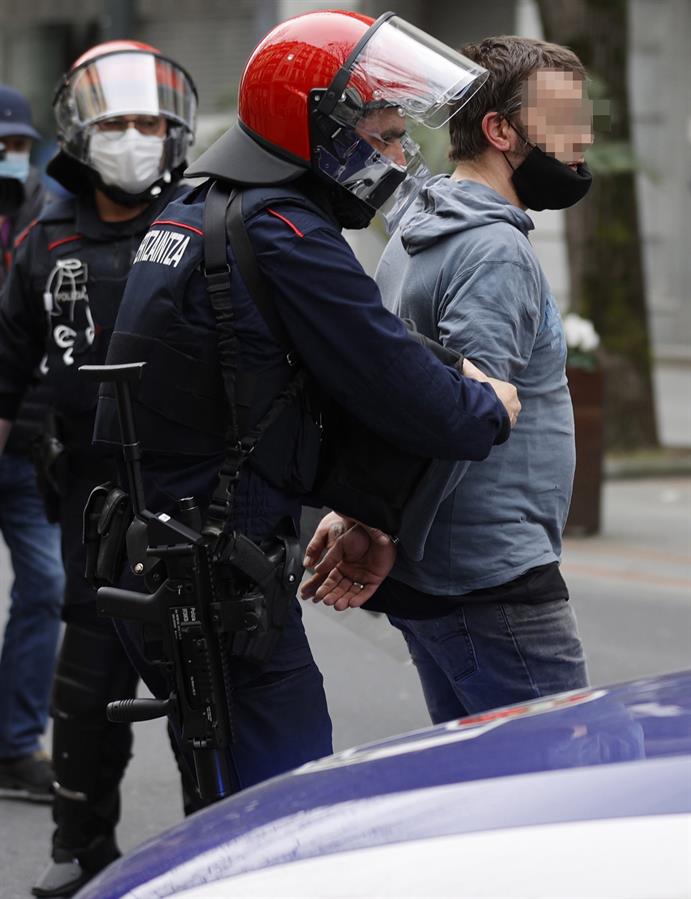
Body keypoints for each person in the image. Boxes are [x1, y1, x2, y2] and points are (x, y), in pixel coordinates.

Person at [93, 6, 520, 820]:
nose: (399, 156)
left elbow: (340, 345)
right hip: (215, 574)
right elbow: (414, 394)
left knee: (223, 820)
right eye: (387, 135)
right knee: (289, 821)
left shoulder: (197, 208)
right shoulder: (284, 228)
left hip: (157, 552)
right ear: (323, 131)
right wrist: (486, 400)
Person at [304, 35, 592, 721]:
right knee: (566, 788)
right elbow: (463, 417)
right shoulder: (492, 249)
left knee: (479, 791)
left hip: (444, 572)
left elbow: (399, 389)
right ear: (500, 130)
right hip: (494, 577)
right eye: (566, 118)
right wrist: (374, 522)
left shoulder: (417, 226)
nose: (581, 137)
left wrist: (367, 514)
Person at [0, 41, 198, 896]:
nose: (133, 137)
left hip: (197, 501)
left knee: (206, 693)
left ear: (175, 129)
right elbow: (7, 368)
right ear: (81, 130)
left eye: (148, 122)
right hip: (88, 501)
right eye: (116, 122)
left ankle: (222, 852)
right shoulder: (43, 242)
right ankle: (79, 845)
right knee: (86, 695)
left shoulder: (205, 223)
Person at [0, 85, 65, 804]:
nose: (7, 157)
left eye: (15, 143)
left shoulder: (52, 219)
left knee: (46, 586)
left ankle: (15, 743)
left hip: (27, 445)